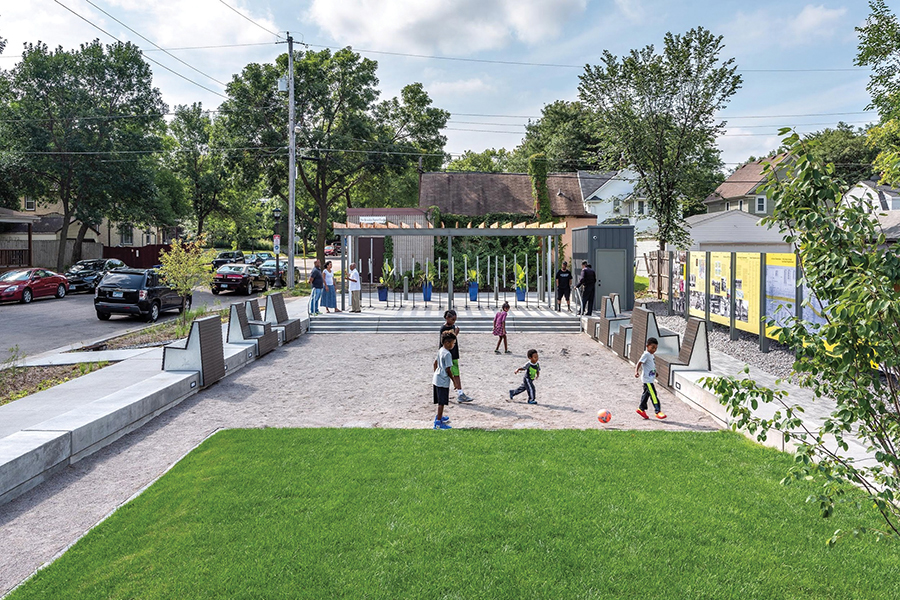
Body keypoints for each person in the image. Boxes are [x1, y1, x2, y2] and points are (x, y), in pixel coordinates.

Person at [439, 310, 474, 403]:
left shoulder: (452, 326)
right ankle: (455, 393)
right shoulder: (443, 328)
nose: (454, 322)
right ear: (447, 318)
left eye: (455, 320)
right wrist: (456, 334)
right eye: (452, 319)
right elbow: (447, 342)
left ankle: (459, 393)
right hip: (448, 355)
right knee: (446, 375)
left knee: (456, 374)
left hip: (453, 355)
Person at [634, 336, 667, 420]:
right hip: (647, 380)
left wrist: (655, 373)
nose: (654, 350)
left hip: (650, 379)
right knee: (653, 395)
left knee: (646, 394)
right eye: (652, 347)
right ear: (647, 346)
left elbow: (650, 366)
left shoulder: (651, 355)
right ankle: (658, 411)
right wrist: (636, 371)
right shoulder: (646, 354)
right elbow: (639, 362)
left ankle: (641, 409)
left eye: (656, 348)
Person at [432, 331, 456, 429]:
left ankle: (439, 416)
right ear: (447, 343)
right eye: (453, 343)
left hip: (437, 378)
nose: (453, 345)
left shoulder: (441, 350)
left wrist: (436, 373)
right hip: (443, 380)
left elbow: (435, 363)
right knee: (441, 402)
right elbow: (448, 369)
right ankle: (438, 423)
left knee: (439, 401)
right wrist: (454, 381)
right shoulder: (448, 354)